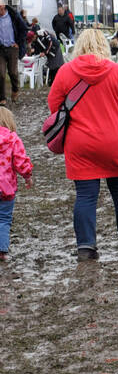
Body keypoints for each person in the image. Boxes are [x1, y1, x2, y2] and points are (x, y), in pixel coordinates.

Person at [46, 27, 118, 261]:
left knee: (86, 196)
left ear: (79, 45)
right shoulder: (116, 71)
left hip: (81, 144)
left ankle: (86, 247)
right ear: (104, 46)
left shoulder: (66, 72)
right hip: (115, 141)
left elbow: (54, 106)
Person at [0, 106, 33, 259]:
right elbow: (21, 161)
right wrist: (27, 176)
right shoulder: (13, 139)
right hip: (6, 188)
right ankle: (1, 250)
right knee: (4, 218)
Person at [0, 0, 29, 106]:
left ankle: (15, 89)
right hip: (1, 49)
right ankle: (2, 97)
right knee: (1, 73)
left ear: (3, 7)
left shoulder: (13, 15)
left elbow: (24, 29)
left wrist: (18, 42)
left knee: (12, 72)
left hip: (13, 48)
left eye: (0, 8)